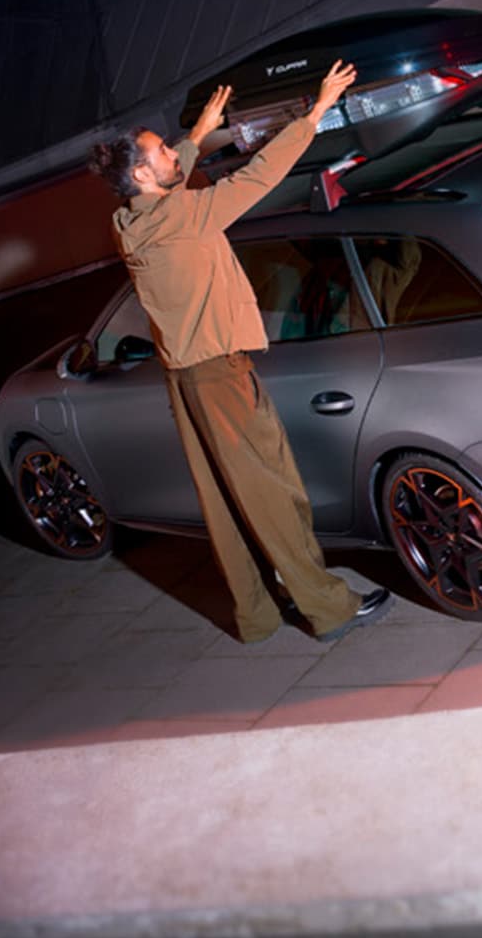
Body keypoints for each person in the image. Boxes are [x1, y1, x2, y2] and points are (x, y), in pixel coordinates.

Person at [87, 61, 393, 644]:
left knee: (225, 503)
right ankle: (326, 608)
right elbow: (258, 176)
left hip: (185, 379)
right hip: (221, 376)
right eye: (165, 155)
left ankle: (255, 615)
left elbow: (170, 174)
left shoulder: (127, 221)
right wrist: (318, 110)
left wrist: (196, 137)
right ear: (146, 175)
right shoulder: (183, 217)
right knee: (273, 492)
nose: (175, 158)